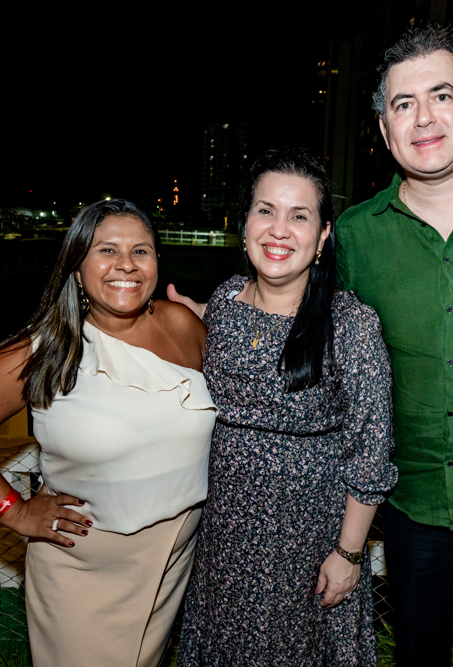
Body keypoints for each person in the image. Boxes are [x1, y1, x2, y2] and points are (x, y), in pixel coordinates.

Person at [170, 25, 453, 667]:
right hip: (411, 509)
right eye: (402, 104)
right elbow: (302, 313)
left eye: (441, 95)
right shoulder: (359, 234)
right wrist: (199, 321)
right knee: (420, 657)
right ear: (384, 130)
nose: (423, 117)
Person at [0, 199, 216, 667]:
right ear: (77, 265)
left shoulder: (183, 325)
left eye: (141, 251)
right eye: (107, 250)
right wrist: (14, 512)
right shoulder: (44, 350)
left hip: (173, 557)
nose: (126, 264)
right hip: (83, 566)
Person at [175, 147, 398, 666]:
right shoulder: (224, 304)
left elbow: (371, 453)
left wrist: (347, 554)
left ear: (322, 237)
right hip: (222, 541)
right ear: (244, 224)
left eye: (299, 216)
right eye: (265, 211)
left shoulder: (351, 325)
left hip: (308, 546)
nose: (279, 229)